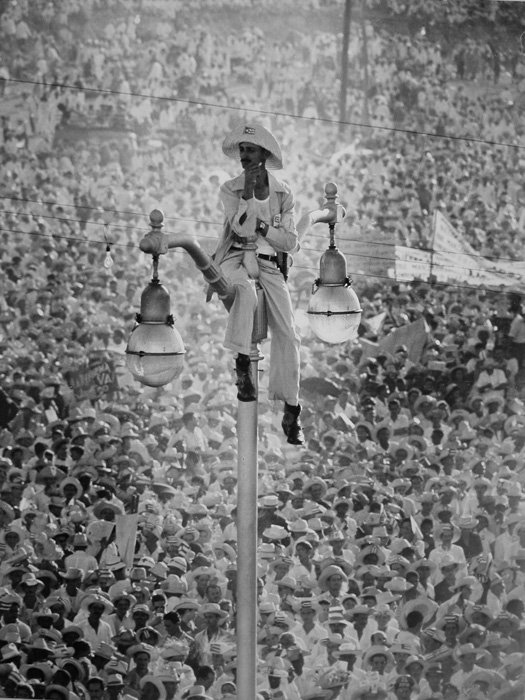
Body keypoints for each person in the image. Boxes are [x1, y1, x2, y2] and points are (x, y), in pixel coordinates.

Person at [211, 123, 304, 445]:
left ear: (264, 155)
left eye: (250, 150)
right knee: (245, 295)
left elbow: (290, 241)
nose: (244, 157)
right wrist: (248, 196)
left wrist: (263, 224)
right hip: (235, 258)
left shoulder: (283, 192)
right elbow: (240, 230)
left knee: (289, 333)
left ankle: (291, 406)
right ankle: (241, 365)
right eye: (242, 151)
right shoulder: (230, 188)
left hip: (269, 265)